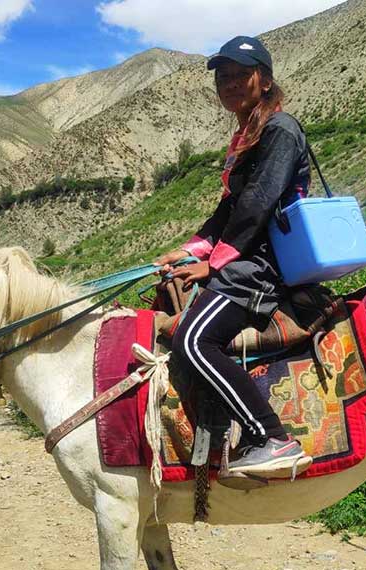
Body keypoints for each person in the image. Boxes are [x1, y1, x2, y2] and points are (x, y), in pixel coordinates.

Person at [153, 35, 312, 483]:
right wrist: (188, 250)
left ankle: (270, 437)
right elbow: (228, 210)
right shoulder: (247, 135)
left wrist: (215, 264)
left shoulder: (280, 130)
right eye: (223, 77)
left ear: (264, 79)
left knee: (192, 340)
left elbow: (258, 204)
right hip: (244, 256)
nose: (230, 84)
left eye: (241, 75)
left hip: (261, 265)